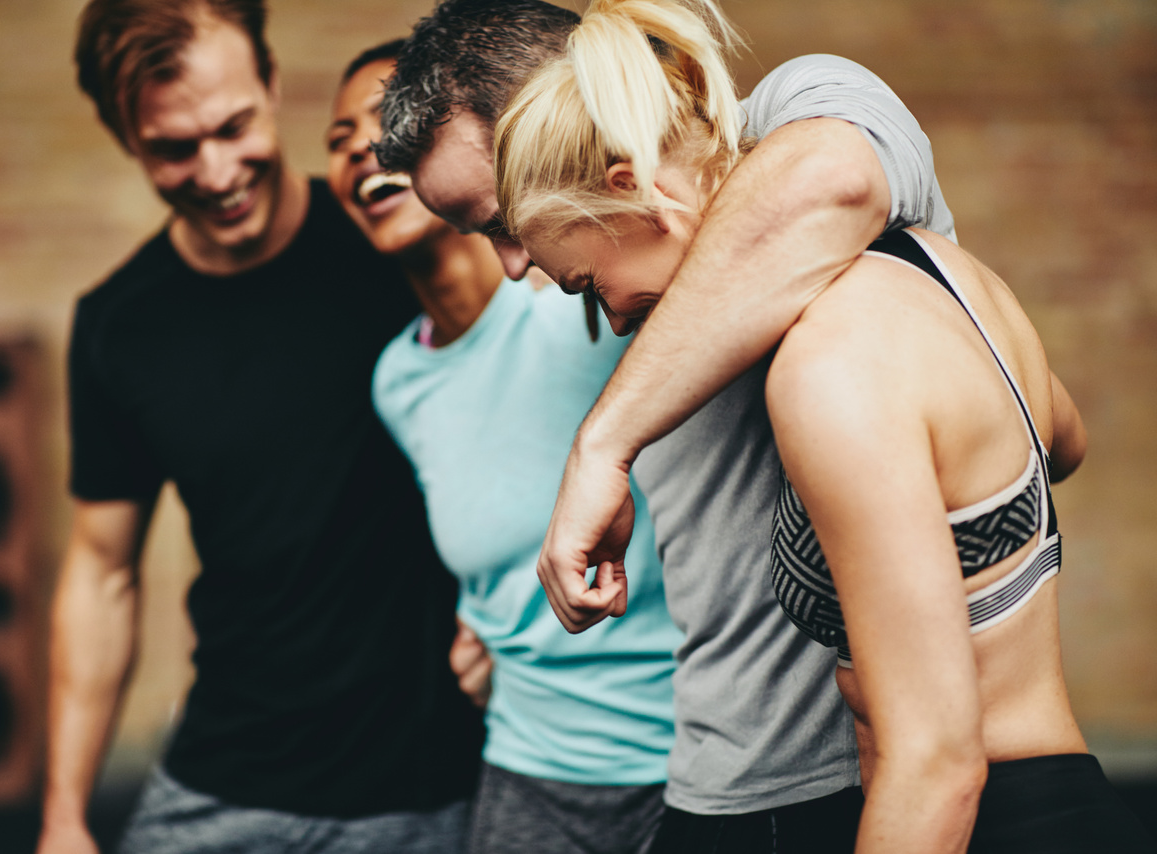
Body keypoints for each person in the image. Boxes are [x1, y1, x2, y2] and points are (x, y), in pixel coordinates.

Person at [493, 1, 1156, 851]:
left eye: (586, 284)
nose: (618, 327)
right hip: (1057, 794)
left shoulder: (826, 363)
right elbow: (1062, 436)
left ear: (631, 186)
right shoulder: (939, 269)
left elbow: (938, 764)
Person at [377, 0, 953, 848]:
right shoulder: (615, 284)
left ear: (555, 114)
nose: (512, 264)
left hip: (844, 785)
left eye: (504, 221)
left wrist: (600, 448)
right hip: (706, 780)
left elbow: (836, 178)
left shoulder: (795, 108)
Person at [36, 2, 483, 853]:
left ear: (272, 86)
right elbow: (102, 574)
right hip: (224, 777)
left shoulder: (397, 246)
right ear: (126, 137)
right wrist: (62, 817)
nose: (215, 171)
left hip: (426, 789)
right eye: (172, 147)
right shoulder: (117, 326)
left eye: (233, 127)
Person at [326, 40, 684, 854]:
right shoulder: (399, 383)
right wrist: (482, 623)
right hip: (526, 777)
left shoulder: (593, 296)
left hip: (685, 767)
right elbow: (493, 543)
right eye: (337, 141)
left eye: (382, 127)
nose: (363, 150)